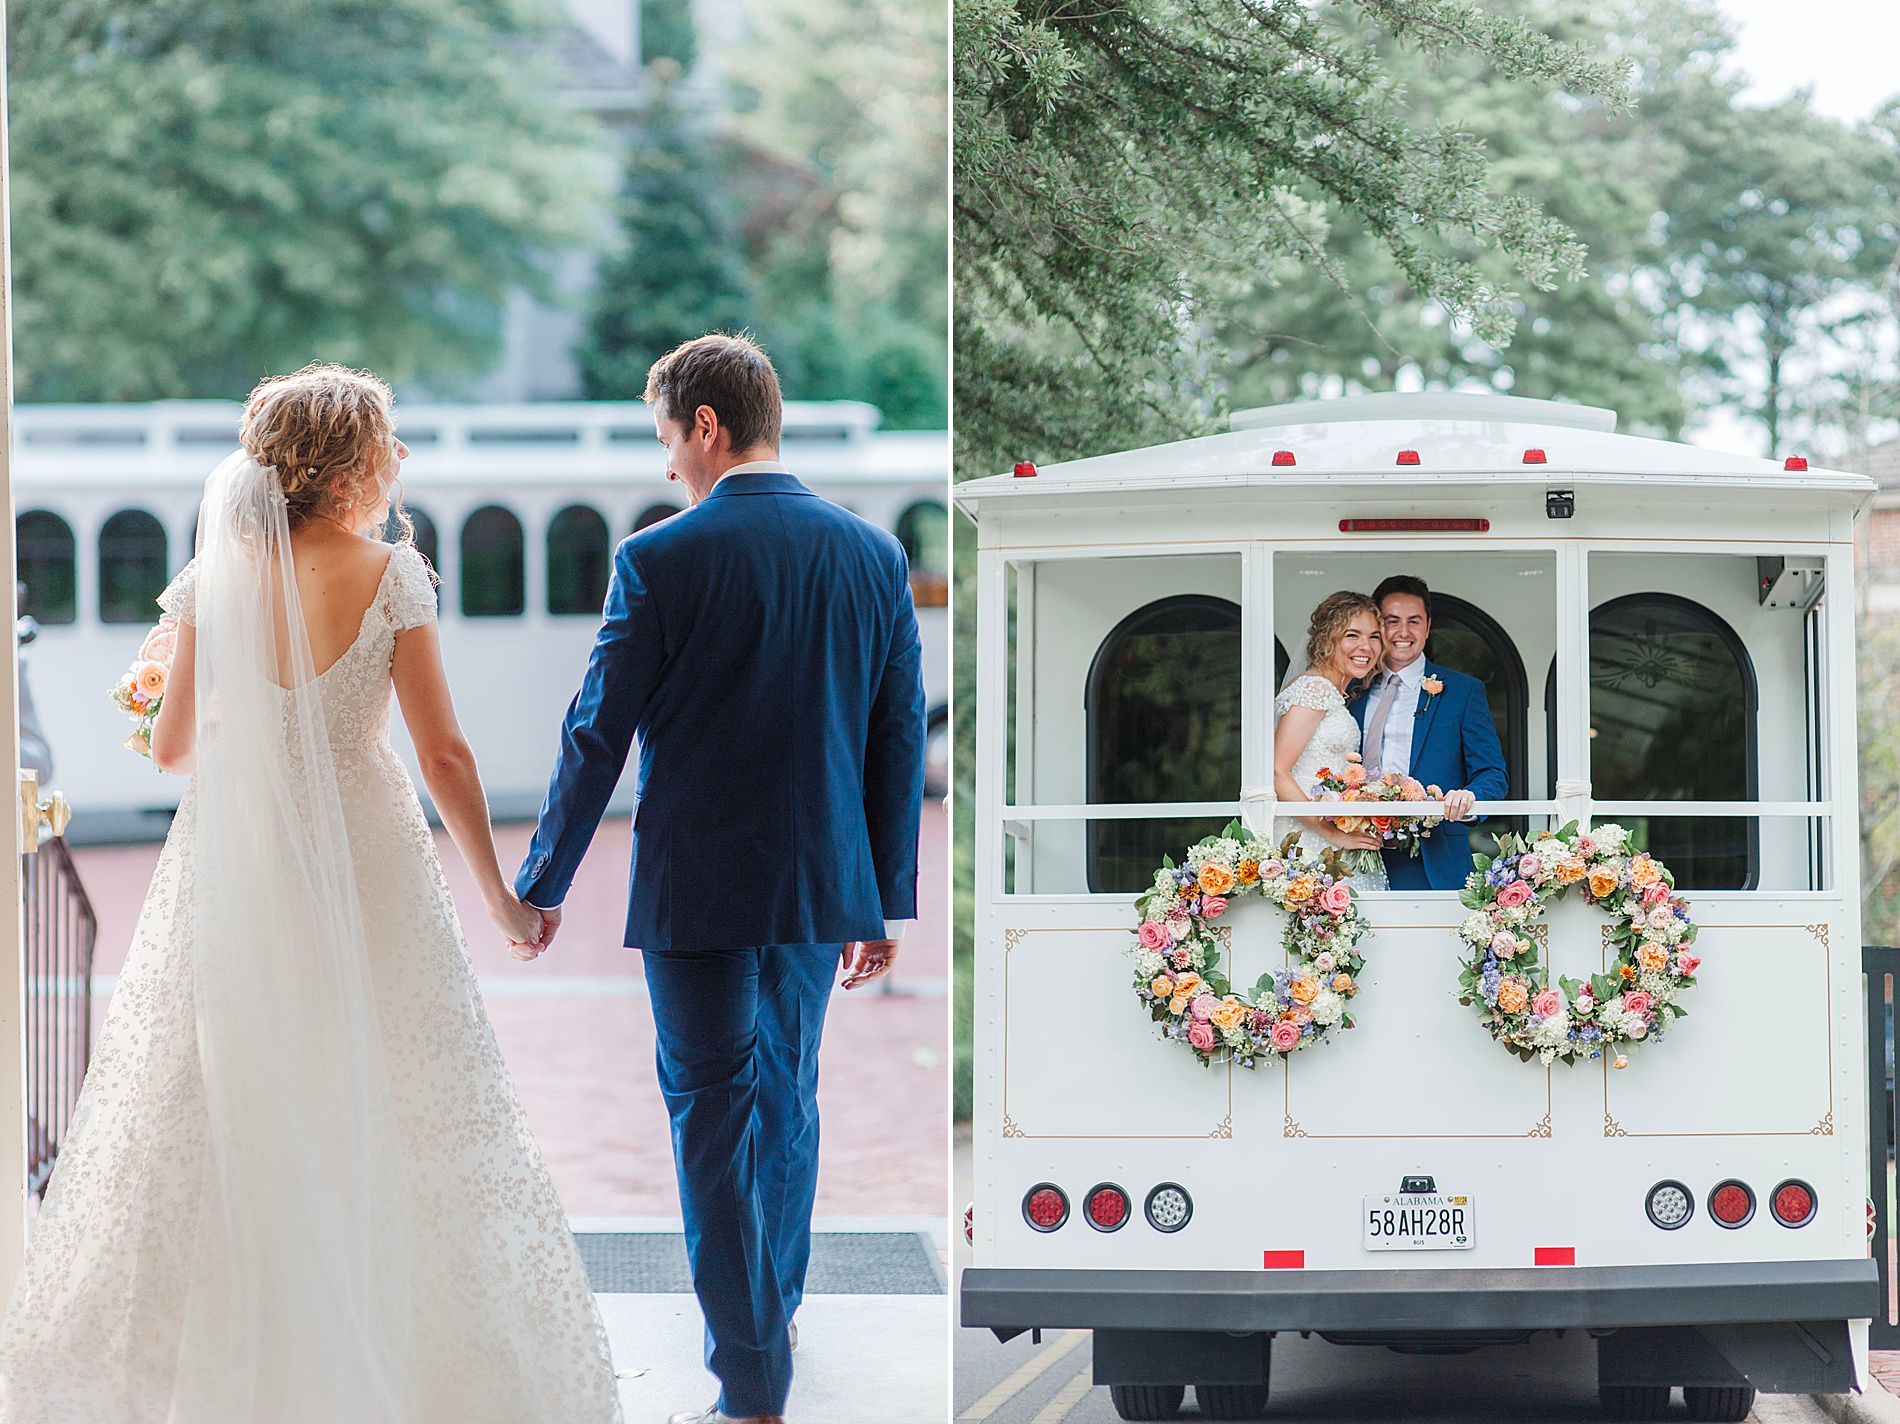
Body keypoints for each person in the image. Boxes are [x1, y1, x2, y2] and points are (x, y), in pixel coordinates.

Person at [0, 366, 620, 1423]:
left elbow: (176, 747)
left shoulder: (218, 575)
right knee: (393, 1088)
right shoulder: (392, 574)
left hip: (232, 862)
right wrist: (504, 900)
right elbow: (446, 755)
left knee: (213, 1096)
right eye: (389, 442)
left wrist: (165, 676)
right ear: (350, 465)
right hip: (369, 855)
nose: (401, 461)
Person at [511, 334, 926, 1424]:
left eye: (667, 440)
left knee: (709, 1116)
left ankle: (750, 1381)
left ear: (705, 426)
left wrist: (541, 879)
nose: (668, 470)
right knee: (785, 1102)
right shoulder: (873, 556)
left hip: (697, 888)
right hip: (820, 886)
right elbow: (895, 742)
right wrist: (882, 893)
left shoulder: (659, 559)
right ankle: (769, 1317)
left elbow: (595, 734)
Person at [1351, 573, 1508, 890]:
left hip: (1433, 860)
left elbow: (1493, 773)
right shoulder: (1351, 689)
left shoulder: (1463, 692)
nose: (1403, 632)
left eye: (1414, 621)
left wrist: (1468, 797)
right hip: (1354, 854)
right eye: (1392, 621)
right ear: (1377, 626)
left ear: (1428, 626)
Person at [1272, 590, 1388, 890]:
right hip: (1308, 840)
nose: (1366, 647)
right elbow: (1277, 772)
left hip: (1327, 837)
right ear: (1327, 640)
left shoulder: (1332, 693)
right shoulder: (1316, 690)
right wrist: (1332, 833)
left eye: (1374, 637)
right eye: (1353, 635)